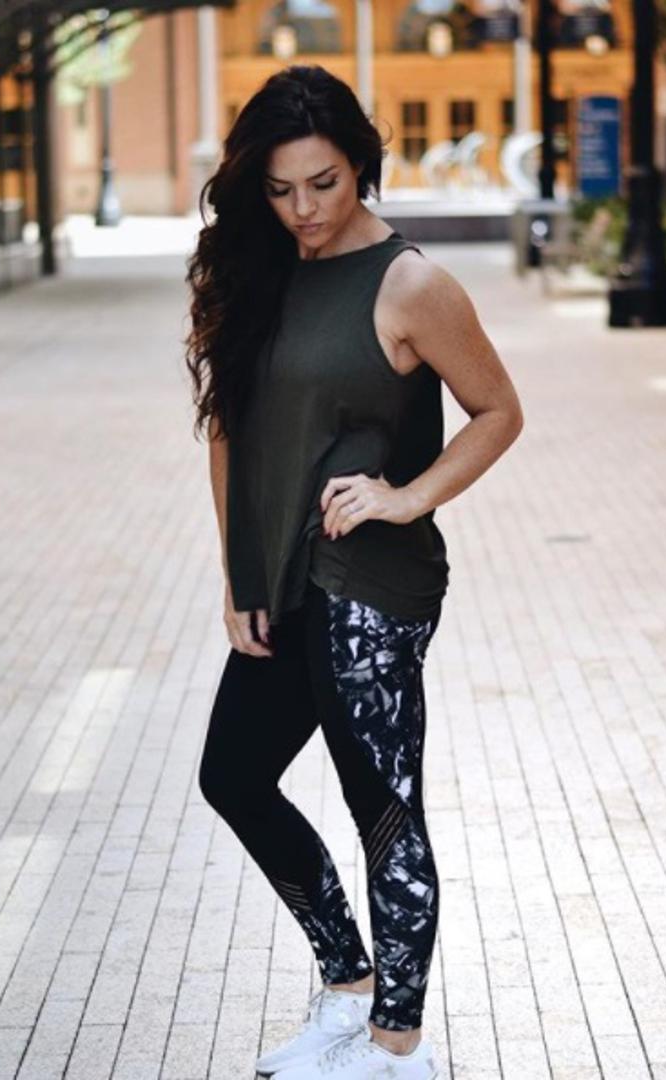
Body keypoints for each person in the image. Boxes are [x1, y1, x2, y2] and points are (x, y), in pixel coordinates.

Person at [184, 64, 523, 1080]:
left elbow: (498, 411)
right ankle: (347, 986)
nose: (304, 209)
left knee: (382, 806)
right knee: (233, 775)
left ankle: (397, 1044)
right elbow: (227, 433)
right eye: (281, 188)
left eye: (323, 183)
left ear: (360, 166)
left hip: (370, 584)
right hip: (284, 577)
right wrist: (240, 575)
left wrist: (407, 496)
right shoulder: (257, 269)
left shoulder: (410, 283)